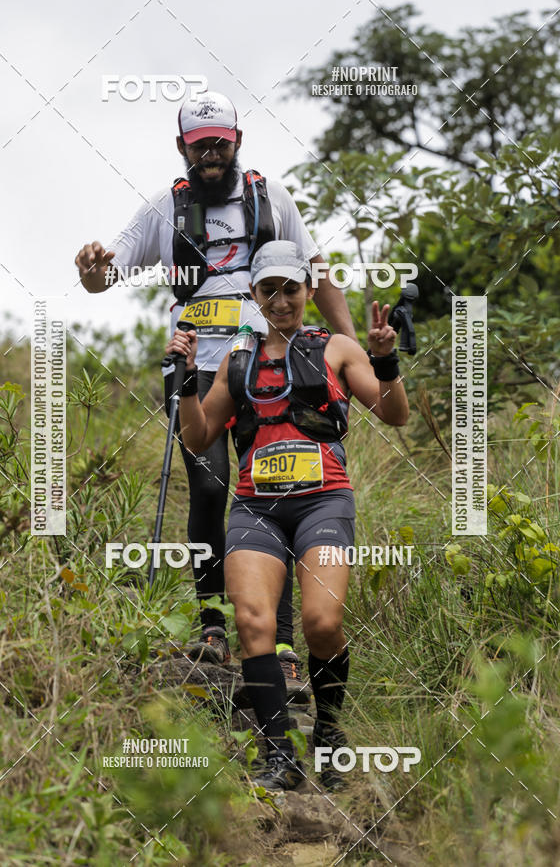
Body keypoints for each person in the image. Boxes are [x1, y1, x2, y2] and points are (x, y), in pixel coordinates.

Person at [75, 91, 357, 697]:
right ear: (182, 147)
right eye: (199, 144)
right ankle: (211, 623)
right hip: (197, 366)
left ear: (236, 143)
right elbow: (106, 275)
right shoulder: (163, 210)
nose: (210, 154)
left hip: (268, 362)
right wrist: (92, 266)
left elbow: (319, 270)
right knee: (208, 484)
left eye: (220, 143)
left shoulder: (270, 198)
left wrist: (351, 349)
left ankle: (280, 645)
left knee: (274, 485)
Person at [167, 239, 409, 791]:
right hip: (256, 508)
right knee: (253, 623)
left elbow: (395, 415)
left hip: (324, 500)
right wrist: (183, 380)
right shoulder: (238, 358)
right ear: (255, 295)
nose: (281, 301)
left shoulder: (338, 349)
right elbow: (199, 435)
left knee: (322, 623)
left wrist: (386, 358)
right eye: (269, 291)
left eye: (291, 289)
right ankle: (279, 753)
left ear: (306, 289)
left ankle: (329, 732)